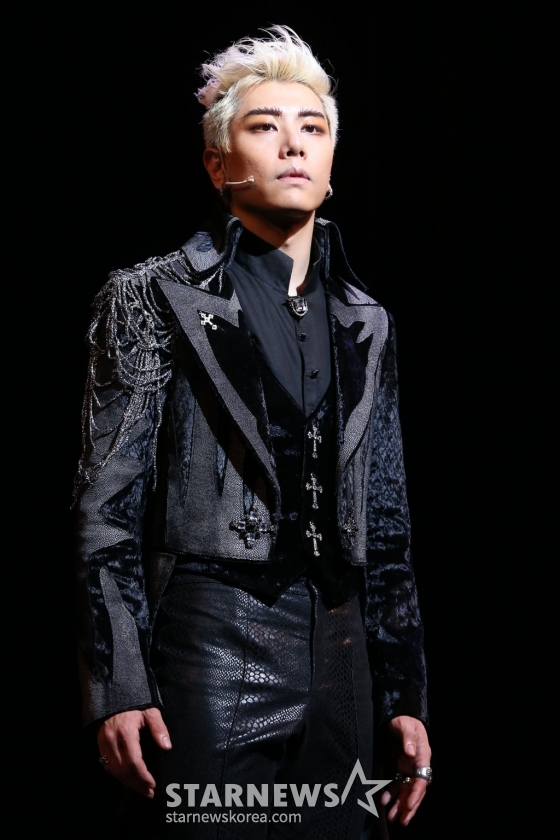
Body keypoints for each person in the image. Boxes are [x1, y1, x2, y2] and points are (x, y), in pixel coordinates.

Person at [74, 26, 431, 839]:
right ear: (217, 162)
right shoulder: (151, 295)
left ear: (332, 160)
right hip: (210, 641)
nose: (293, 144)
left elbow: (386, 522)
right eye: (264, 126)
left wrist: (405, 695)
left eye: (313, 128)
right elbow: (105, 507)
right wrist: (118, 684)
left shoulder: (368, 321)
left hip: (342, 656)